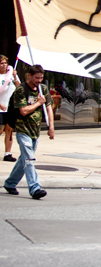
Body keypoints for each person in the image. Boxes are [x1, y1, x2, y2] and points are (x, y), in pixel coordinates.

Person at [3, 64, 54, 199]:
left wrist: (51, 127)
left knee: (23, 160)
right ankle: (35, 187)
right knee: (29, 160)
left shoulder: (42, 89)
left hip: (35, 131)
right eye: (36, 78)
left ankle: (10, 183)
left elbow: (48, 108)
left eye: (41, 78)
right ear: (29, 76)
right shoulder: (21, 90)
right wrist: (38, 103)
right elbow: (23, 111)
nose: (39, 81)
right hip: (22, 130)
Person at [0, 55, 21, 162]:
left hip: (10, 107)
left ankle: (7, 153)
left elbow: (19, 88)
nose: (4, 65)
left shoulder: (11, 75)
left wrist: (15, 77)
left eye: (5, 63)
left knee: (9, 129)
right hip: (0, 107)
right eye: (1, 63)